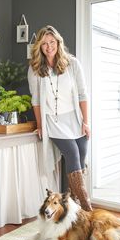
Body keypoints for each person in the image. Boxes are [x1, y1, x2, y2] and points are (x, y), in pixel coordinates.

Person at [28, 25, 92, 211]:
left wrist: (86, 122)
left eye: (52, 42)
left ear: (58, 42)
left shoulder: (72, 63)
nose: (49, 47)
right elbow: (36, 101)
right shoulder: (35, 69)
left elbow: (82, 94)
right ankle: (88, 209)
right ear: (39, 46)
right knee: (72, 154)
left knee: (80, 159)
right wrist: (40, 125)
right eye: (44, 43)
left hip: (75, 119)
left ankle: (73, 210)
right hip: (53, 122)